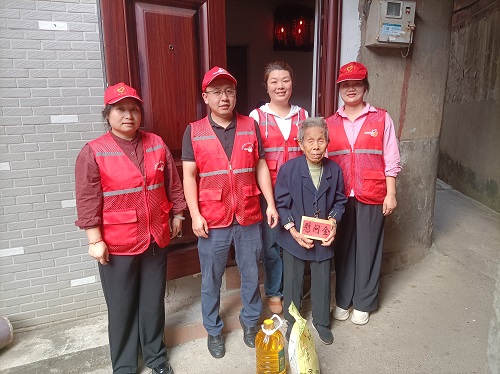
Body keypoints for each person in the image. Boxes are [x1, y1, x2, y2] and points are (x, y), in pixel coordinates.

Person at [75, 82, 186, 374]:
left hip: (156, 236)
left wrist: (178, 214)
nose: (128, 115)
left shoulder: (156, 143)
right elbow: (87, 199)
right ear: (108, 114)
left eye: (134, 109)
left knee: (152, 303)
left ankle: (156, 356)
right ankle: (124, 365)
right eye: (120, 109)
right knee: (121, 306)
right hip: (117, 242)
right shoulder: (94, 151)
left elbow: (172, 184)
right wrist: (93, 239)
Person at [181, 67, 279, 358]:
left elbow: (260, 165)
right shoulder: (194, 131)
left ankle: (250, 321)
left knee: (251, 273)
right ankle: (213, 329)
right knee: (211, 278)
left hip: (248, 213)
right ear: (205, 97)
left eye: (229, 91)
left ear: (235, 94)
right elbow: (189, 176)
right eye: (217, 92)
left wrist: (270, 203)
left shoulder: (250, 125)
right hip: (213, 217)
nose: (224, 98)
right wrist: (195, 215)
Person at [326, 62, 402, 325]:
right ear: (339, 89)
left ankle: (364, 301)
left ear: (365, 87)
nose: (350, 89)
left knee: (369, 248)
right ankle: (344, 299)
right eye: (345, 85)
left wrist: (390, 193)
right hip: (340, 197)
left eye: (356, 84)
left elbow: (391, 158)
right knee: (343, 249)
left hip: (373, 192)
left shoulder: (381, 118)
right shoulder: (329, 123)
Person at [274, 117, 346, 345]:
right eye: (310, 141)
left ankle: (322, 322)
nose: (316, 146)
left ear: (328, 142)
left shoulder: (334, 170)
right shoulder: (289, 169)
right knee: (293, 281)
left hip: (323, 236)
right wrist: (293, 231)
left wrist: (333, 223)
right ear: (300, 144)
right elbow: (281, 203)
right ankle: (293, 322)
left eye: (321, 141)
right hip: (294, 235)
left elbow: (340, 202)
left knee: (323, 279)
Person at [248, 61, 309, 314]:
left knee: (298, 240)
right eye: (274, 81)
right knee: (272, 244)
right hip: (269, 193)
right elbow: (253, 158)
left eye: (285, 80)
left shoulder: (304, 115)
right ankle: (274, 291)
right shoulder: (256, 117)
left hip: (300, 191)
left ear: (292, 83)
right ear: (267, 86)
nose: (280, 86)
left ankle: (295, 287)